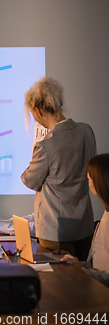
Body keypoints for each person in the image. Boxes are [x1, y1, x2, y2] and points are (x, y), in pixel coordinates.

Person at [21, 77, 97, 260]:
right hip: (85, 226)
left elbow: (29, 180)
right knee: (82, 282)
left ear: (37, 111)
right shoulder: (87, 131)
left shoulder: (46, 145)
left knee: (60, 285)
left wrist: (35, 150)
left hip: (55, 231)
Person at [60, 154, 109, 287]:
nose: (87, 180)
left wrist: (81, 270)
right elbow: (95, 265)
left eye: (89, 178)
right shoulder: (105, 214)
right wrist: (75, 263)